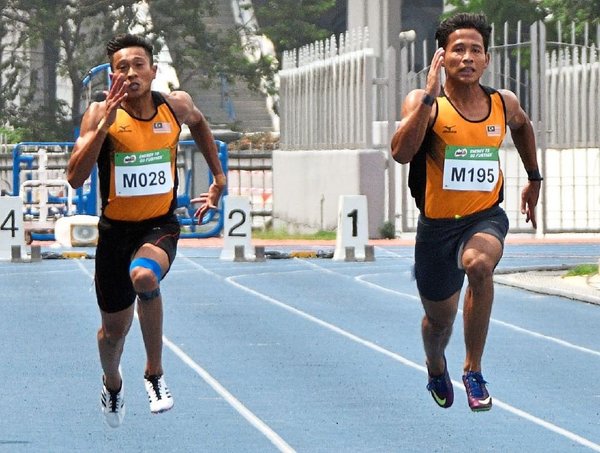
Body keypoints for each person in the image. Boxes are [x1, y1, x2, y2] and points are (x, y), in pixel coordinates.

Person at [67, 34, 226, 427]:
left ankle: (154, 373)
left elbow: (201, 124)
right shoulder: (100, 114)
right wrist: (103, 126)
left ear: (153, 71)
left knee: (144, 275)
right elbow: (74, 177)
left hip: (159, 225)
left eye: (139, 64)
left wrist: (219, 179)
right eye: (122, 67)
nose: (131, 73)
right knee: (112, 335)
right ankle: (113, 382)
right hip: (115, 233)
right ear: (112, 75)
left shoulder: (176, 106)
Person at [390, 13, 542, 412]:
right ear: (443, 56)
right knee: (438, 323)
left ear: (487, 59)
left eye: (476, 50)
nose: (468, 57)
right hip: (437, 228)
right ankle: (435, 364)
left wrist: (534, 178)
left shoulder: (501, 103)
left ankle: (472, 370)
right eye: (459, 49)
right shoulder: (426, 104)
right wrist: (427, 95)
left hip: (484, 216)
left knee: (479, 265)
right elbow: (402, 153)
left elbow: (523, 126)